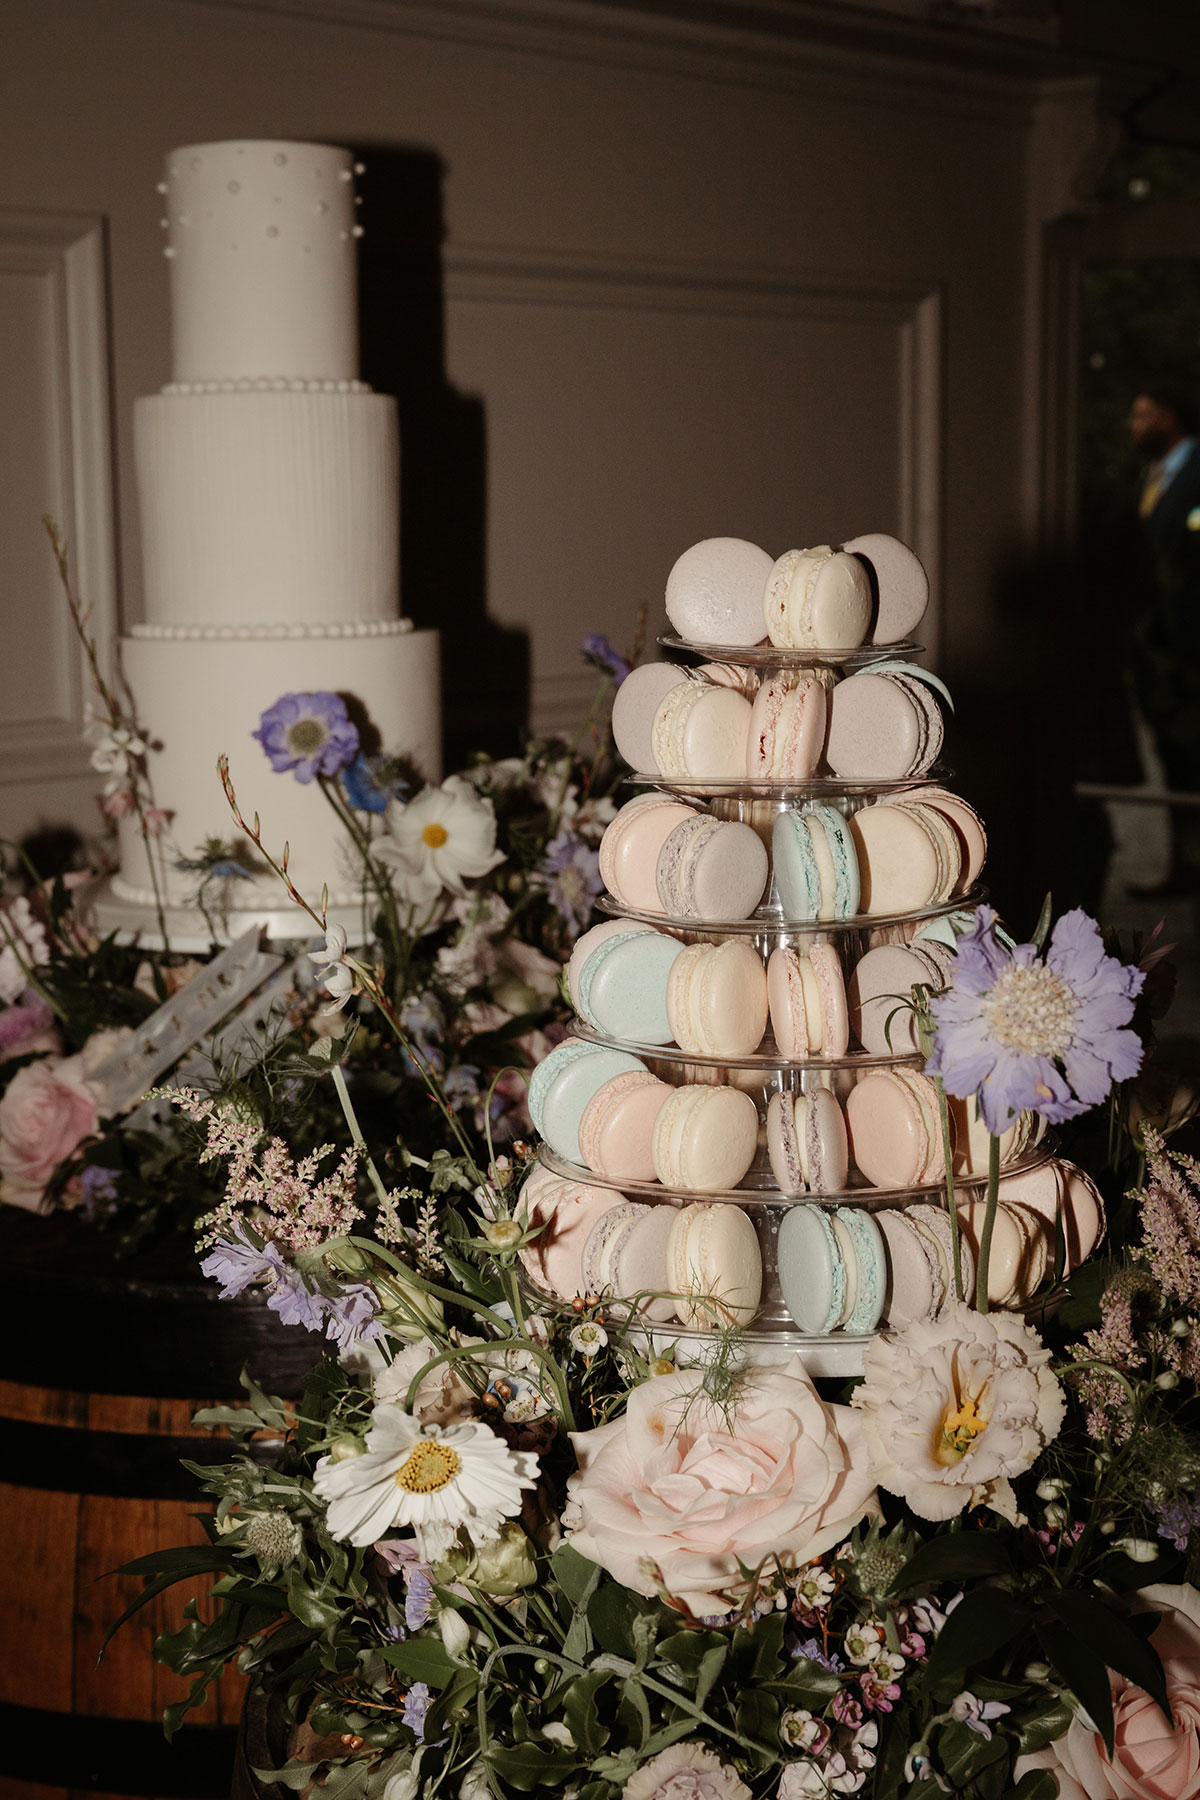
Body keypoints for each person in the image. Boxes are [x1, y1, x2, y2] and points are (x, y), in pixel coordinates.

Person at [1127, 380, 1200, 896]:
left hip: (1194, 644)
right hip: (1161, 652)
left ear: (1171, 417)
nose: (1134, 426)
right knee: (1178, 762)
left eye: (1144, 414)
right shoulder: (1149, 478)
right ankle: (1185, 867)